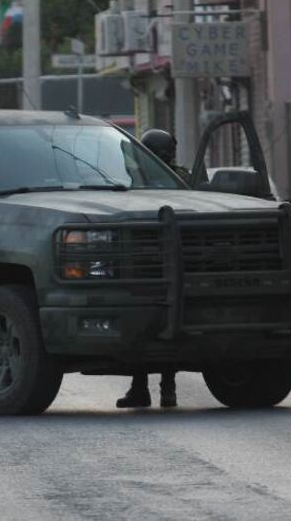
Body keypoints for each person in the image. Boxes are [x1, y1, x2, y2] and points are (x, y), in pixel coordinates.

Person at [117, 128, 187, 409]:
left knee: (144, 328)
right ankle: (165, 390)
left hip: (147, 262)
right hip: (178, 263)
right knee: (169, 326)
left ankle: (142, 388)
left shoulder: (141, 179)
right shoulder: (183, 178)